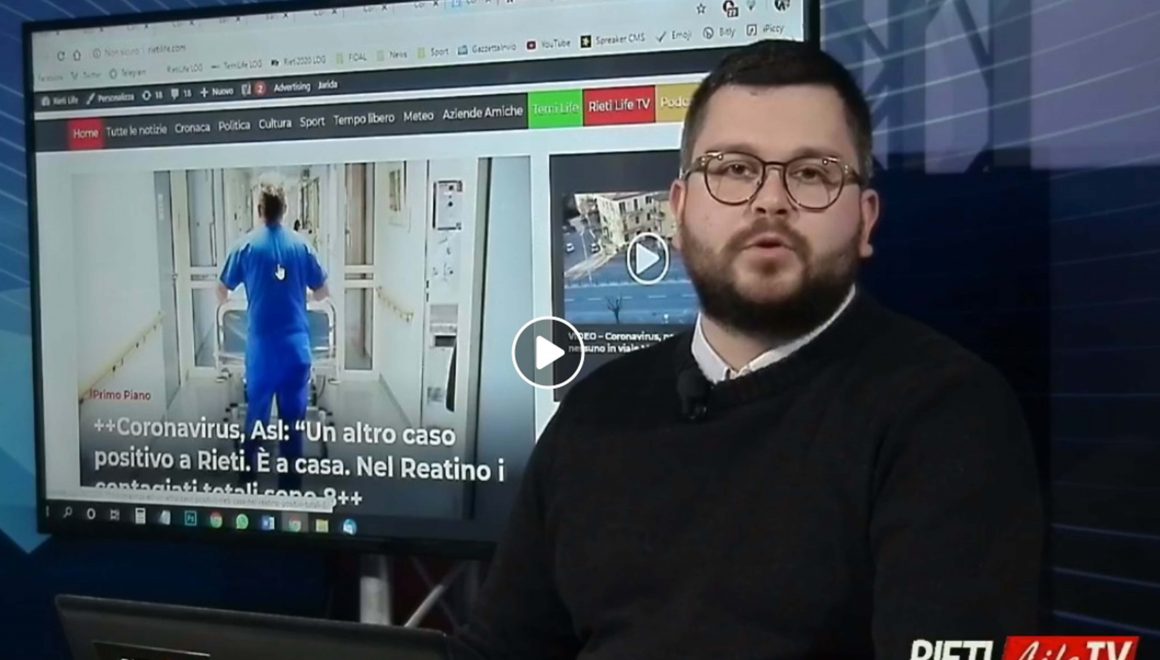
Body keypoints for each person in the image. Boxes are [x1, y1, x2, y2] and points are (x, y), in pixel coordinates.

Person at [454, 40, 1043, 659]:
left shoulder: (945, 414)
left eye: (812, 173)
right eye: (734, 168)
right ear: (679, 212)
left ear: (866, 221)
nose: (770, 200)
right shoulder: (596, 412)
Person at [217, 175, 329, 491]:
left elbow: (221, 291)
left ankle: (248, 481)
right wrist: (298, 295)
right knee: (293, 424)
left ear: (259, 209)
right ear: (285, 209)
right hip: (295, 350)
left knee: (256, 417)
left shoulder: (246, 246)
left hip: (262, 352)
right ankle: (290, 487)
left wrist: (252, 295)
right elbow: (323, 292)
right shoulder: (302, 246)